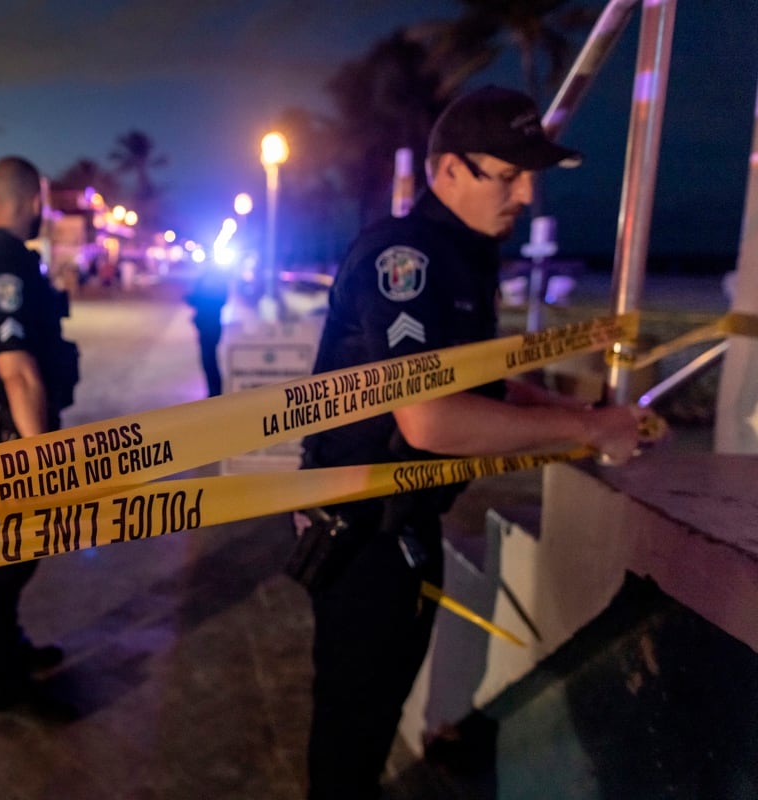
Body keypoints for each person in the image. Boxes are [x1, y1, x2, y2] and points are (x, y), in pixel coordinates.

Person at [298, 85, 653, 799]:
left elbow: (479, 384)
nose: (526, 193)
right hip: (364, 529)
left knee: (377, 705)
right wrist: (585, 428)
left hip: (407, 521)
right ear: (449, 169)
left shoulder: (463, 256)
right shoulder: (406, 257)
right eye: (508, 173)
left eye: (533, 175)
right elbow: (430, 418)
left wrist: (573, 407)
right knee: (353, 724)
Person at [0, 156, 78, 717]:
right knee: (5, 564)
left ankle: (5, 655)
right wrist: (41, 459)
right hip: (10, 441)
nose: (44, 213)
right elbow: (18, 370)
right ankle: (1, 683)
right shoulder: (5, 265)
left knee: (10, 561)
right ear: (31, 199)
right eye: (43, 202)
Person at [185, 263, 230, 397]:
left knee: (210, 361)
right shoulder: (209, 279)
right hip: (206, 324)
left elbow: (219, 300)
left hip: (210, 325)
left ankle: (215, 392)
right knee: (208, 360)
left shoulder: (214, 281)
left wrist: (197, 299)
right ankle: (213, 391)